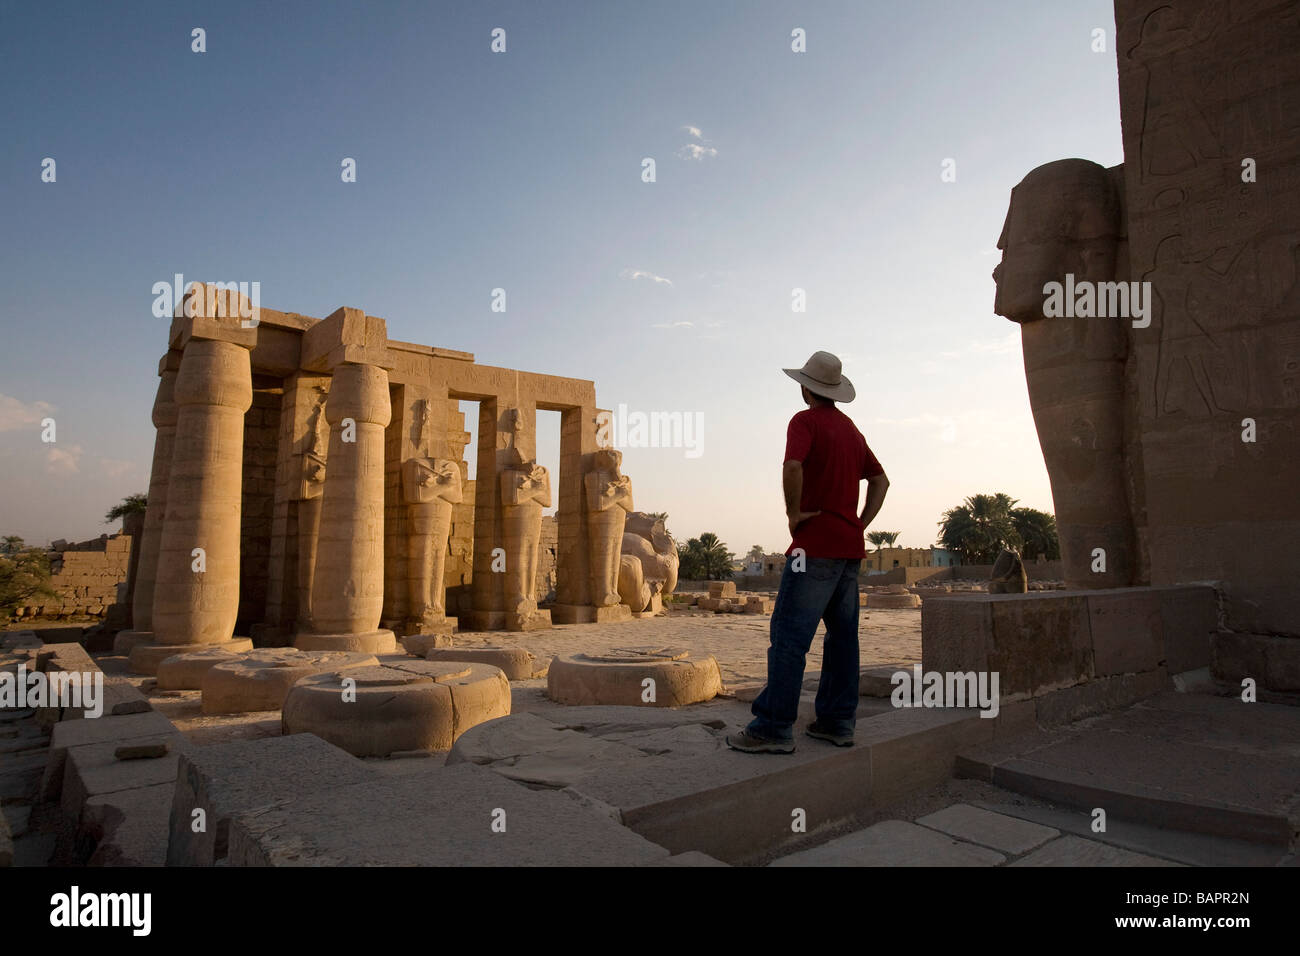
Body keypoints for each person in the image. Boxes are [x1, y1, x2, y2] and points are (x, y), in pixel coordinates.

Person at [726, 351, 889, 753]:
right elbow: (881, 481)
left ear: (806, 388)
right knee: (842, 641)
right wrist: (860, 524)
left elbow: (793, 466)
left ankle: (773, 728)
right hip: (849, 551)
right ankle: (836, 723)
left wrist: (793, 514)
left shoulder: (804, 421)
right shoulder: (851, 430)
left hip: (811, 548)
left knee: (788, 638)